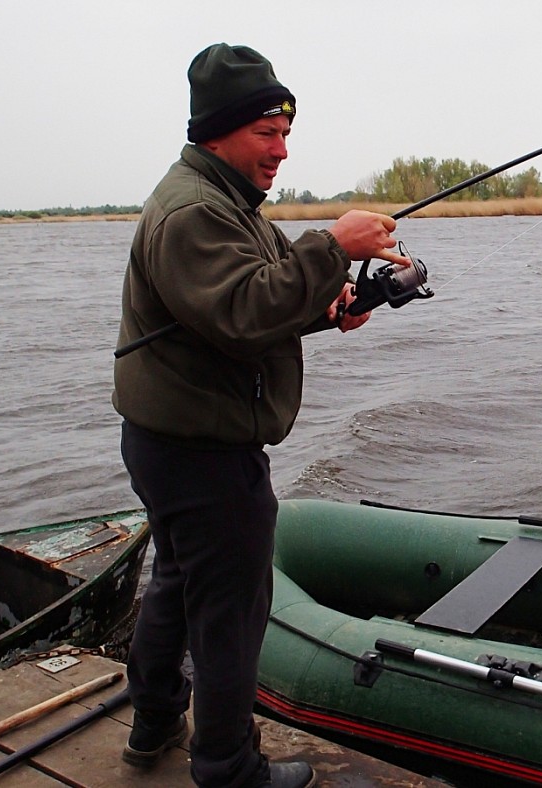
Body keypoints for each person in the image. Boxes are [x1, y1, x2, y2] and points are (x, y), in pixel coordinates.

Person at [112, 43, 410, 788]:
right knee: (231, 611)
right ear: (218, 133)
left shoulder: (222, 201)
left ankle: (154, 721)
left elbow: (250, 302)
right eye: (266, 133)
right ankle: (228, 767)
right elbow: (244, 311)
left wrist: (330, 306)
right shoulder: (194, 212)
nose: (281, 150)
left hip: (173, 443)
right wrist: (333, 245)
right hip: (203, 454)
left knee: (178, 579)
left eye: (286, 134)